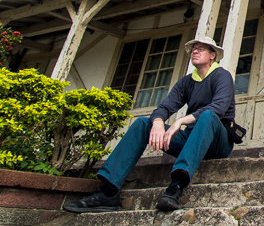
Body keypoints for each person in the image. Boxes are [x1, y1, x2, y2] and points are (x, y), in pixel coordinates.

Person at [63, 36, 236, 213]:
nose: (195, 51)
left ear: (212, 55)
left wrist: (181, 120)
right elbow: (164, 106)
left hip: (217, 142)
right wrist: (159, 122)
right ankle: (108, 191)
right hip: (191, 140)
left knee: (207, 115)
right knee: (143, 123)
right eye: (193, 49)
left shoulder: (221, 75)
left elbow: (218, 108)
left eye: (200, 48)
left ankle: (176, 186)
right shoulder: (186, 82)